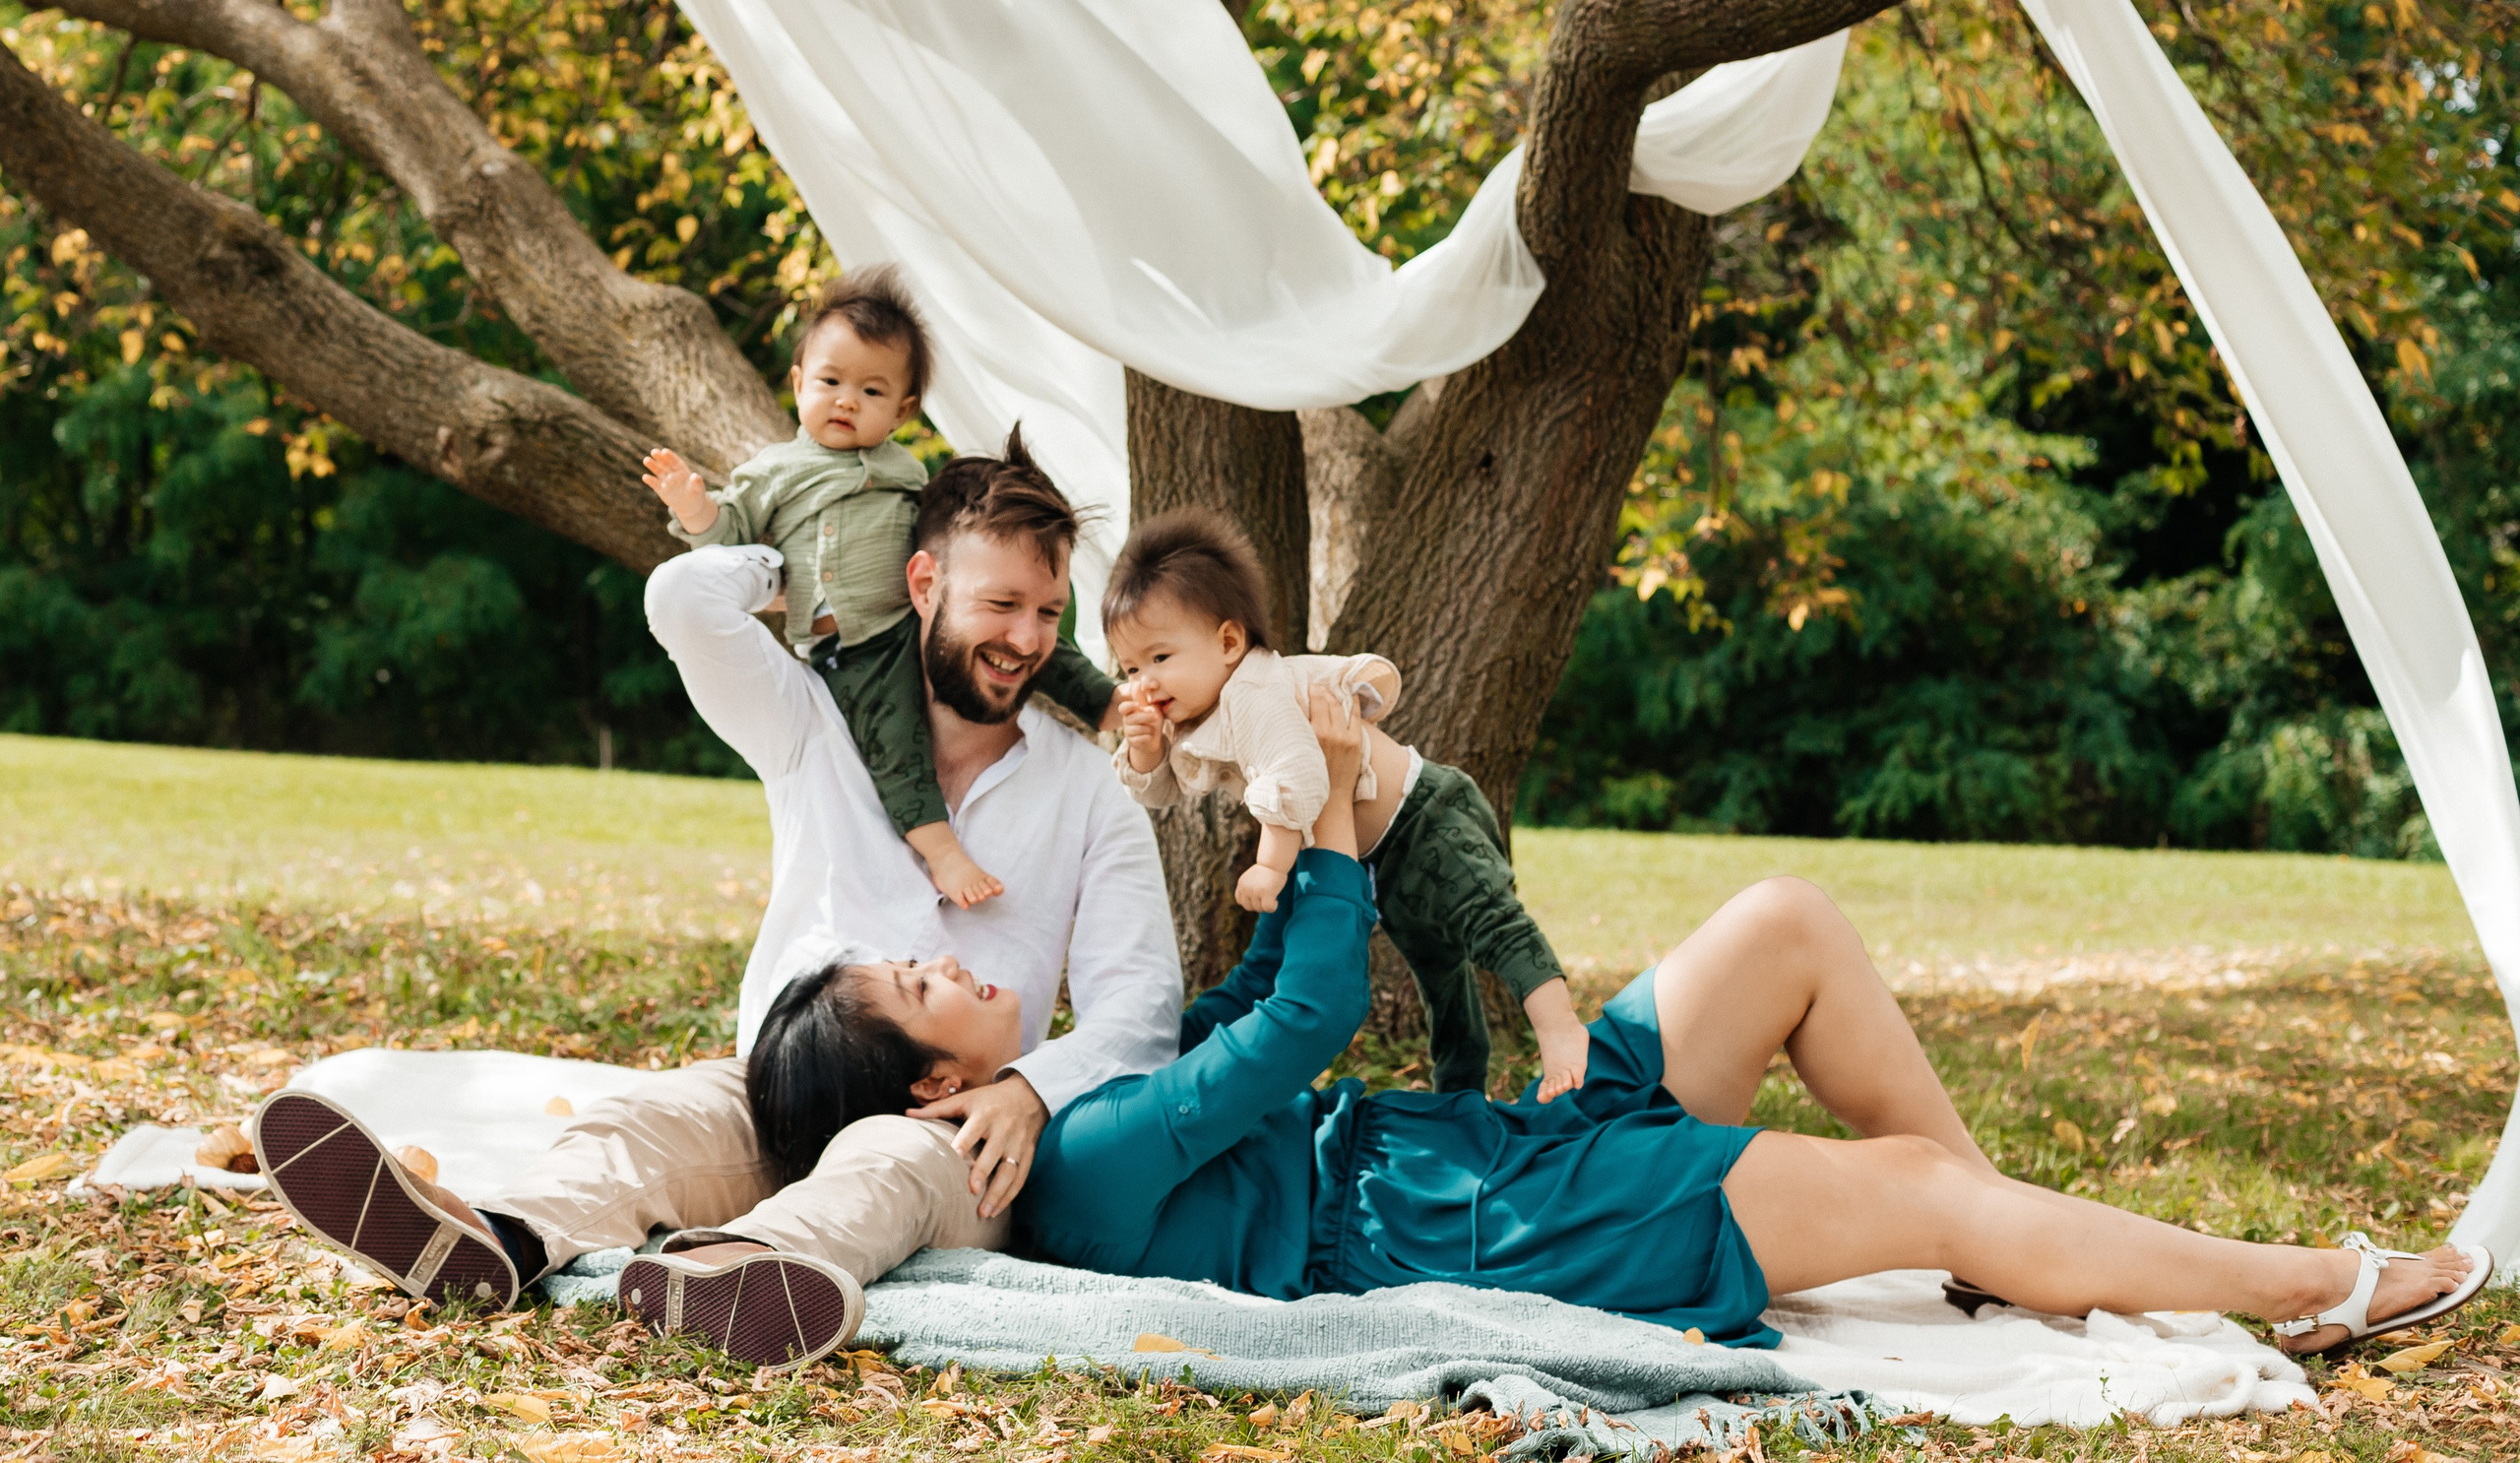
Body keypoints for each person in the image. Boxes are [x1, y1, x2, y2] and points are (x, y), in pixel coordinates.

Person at [757, 686, 2491, 1362]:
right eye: (921, 981)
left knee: (1788, 927)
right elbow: (1287, 1038)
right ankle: (2306, 1284)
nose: (951, 949)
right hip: (1503, 1219)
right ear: (935, 1079)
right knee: (1914, 1186)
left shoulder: (1077, 1099)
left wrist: (1276, 835)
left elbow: (1218, 1018)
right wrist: (1347, 819)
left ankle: (2027, 1259)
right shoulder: (1088, 1166)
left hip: (1488, 1143)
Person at [254, 433, 1181, 1369]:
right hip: (778, 1084)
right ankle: (498, 1239)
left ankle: (753, 1270)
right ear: (923, 582)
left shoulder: (1088, 790)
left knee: (885, 1166)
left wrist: (1029, 1090)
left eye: (1048, 612)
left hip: (951, 1123)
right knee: (647, 1121)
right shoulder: (815, 719)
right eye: (1001, 603)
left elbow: (1141, 1010)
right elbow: (683, 597)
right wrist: (825, 564)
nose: (1027, 639)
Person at [642, 268, 1118, 908]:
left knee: (1024, 631)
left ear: (903, 410)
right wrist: (696, 509)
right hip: (853, 649)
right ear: (798, 383)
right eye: (830, 382)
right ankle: (941, 851)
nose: (845, 400)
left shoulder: (905, 468)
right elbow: (729, 535)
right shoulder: (776, 471)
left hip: (914, 618)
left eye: (871, 390)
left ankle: (1109, 705)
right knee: (894, 739)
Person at [1104, 507, 1588, 1100]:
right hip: (1371, 854)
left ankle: (1560, 1029)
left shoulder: (1257, 693)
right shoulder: (1194, 714)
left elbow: (1300, 776)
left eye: (1159, 658)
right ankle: (1459, 1088)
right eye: (1130, 667)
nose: (1143, 682)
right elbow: (1165, 791)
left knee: (1489, 922)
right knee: (1440, 977)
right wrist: (1147, 751)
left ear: (1229, 641)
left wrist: (1271, 864)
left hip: (1423, 816)